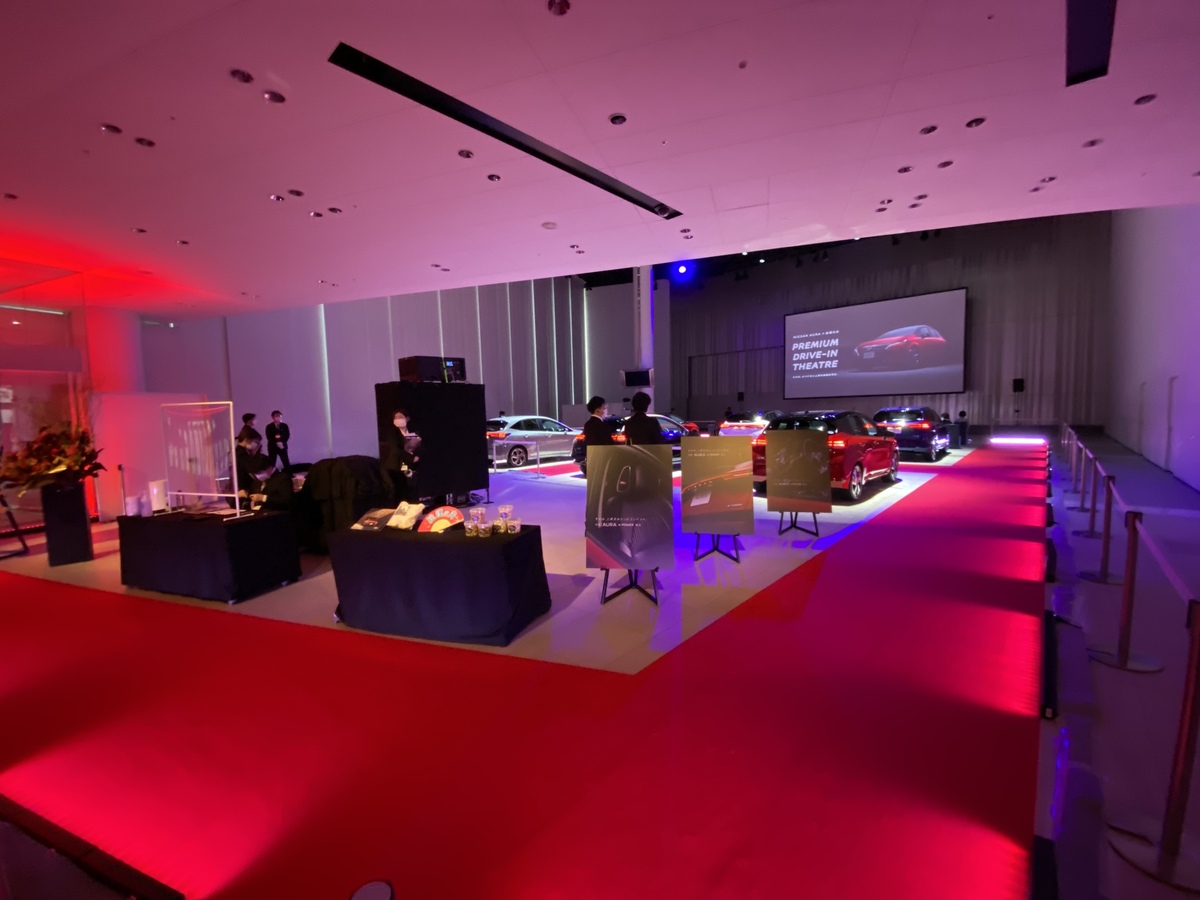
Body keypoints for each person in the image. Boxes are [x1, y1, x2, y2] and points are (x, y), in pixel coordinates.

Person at [382, 409, 421, 503]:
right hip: (396, 466)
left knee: (412, 490)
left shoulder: (413, 432)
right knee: (400, 492)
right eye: (395, 417)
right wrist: (411, 458)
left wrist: (417, 455)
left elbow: (420, 446)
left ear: (407, 418)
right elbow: (396, 449)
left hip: (411, 465)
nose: (397, 419)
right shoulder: (392, 433)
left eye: (400, 417)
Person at [580, 395, 615, 476]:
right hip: (603, 459)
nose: (606, 410)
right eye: (604, 407)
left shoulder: (588, 424)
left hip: (592, 458)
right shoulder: (602, 425)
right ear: (598, 410)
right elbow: (608, 443)